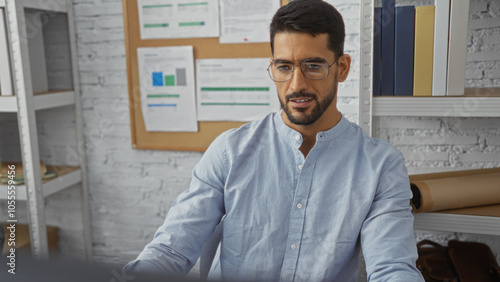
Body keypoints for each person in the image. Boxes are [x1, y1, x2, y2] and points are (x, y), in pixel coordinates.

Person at [124, 1, 423, 281]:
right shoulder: (230, 151)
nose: (297, 85)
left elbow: (392, 267)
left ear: (341, 68)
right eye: (284, 67)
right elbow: (171, 248)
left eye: (313, 66)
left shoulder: (380, 166)